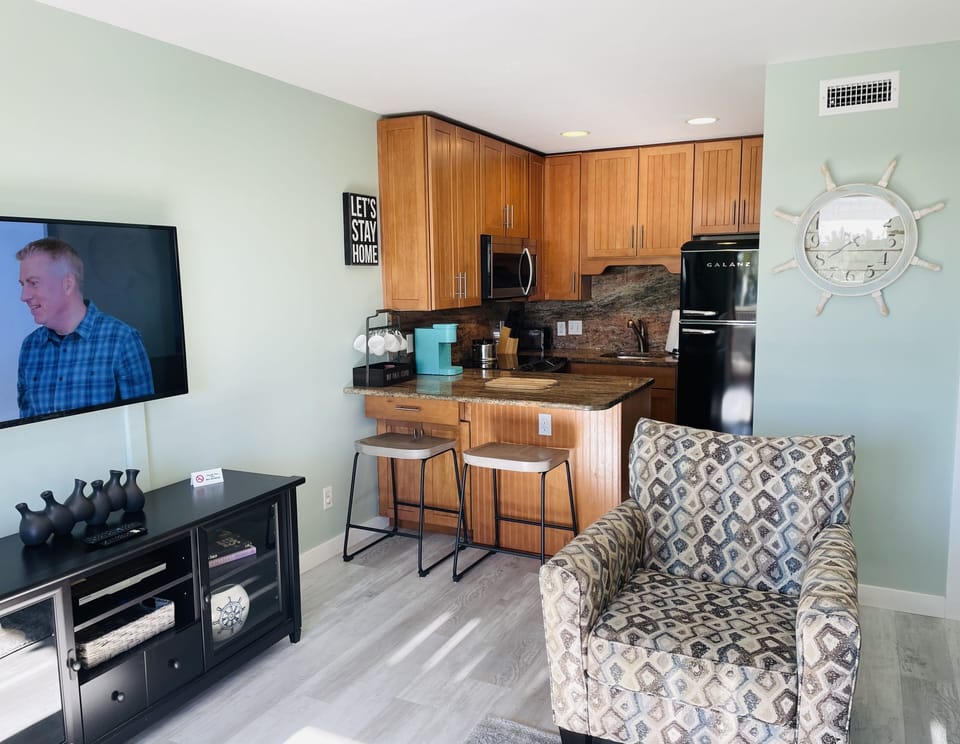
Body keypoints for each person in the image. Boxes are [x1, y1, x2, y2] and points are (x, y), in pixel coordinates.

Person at [16, 237, 154, 418]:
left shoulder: (122, 340)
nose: (24, 296)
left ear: (68, 284)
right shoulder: (30, 347)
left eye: (33, 283)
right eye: (23, 285)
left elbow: (143, 422)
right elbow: (28, 427)